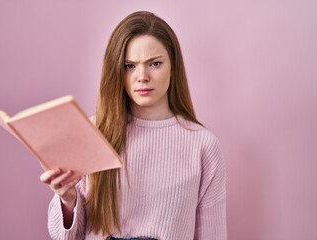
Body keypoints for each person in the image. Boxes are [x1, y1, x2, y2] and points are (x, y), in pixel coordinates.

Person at [40, 11, 226, 240]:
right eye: (130, 66)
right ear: (117, 70)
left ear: (173, 66)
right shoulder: (93, 132)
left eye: (155, 63)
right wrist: (67, 200)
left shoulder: (203, 145)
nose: (142, 76)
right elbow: (65, 237)